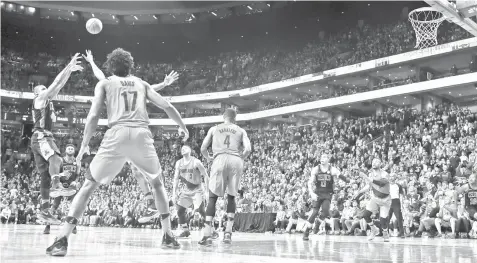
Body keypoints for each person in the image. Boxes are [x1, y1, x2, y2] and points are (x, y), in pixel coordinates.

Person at [46, 48, 189, 256]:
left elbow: (94, 115)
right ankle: (167, 235)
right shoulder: (141, 83)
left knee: (88, 185)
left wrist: (85, 144)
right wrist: (182, 126)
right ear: (131, 66)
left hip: (116, 134)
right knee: (157, 184)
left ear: (110, 67)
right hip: (141, 134)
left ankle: (62, 239)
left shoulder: (104, 83)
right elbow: (167, 105)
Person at [82, 49, 180, 225]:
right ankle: (153, 204)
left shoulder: (108, 82)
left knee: (137, 172)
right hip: (138, 132)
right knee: (141, 172)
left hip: (119, 132)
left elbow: (100, 76)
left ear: (111, 66)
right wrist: (164, 85)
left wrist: (91, 62)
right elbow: (149, 90)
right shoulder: (139, 83)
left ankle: (151, 202)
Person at [31, 54, 83, 225]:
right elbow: (54, 84)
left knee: (45, 175)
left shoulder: (47, 100)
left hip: (40, 137)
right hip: (41, 135)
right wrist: (68, 65)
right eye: (42, 88)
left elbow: (58, 85)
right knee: (56, 158)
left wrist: (70, 71)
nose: (46, 89)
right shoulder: (39, 99)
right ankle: (56, 185)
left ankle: (44, 212)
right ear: (37, 92)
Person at [198, 108, 251, 246]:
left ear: (223, 117)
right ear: (235, 118)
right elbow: (248, 148)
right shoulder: (240, 130)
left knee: (212, 198)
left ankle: (207, 235)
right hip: (235, 160)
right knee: (232, 197)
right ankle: (228, 233)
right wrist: (241, 157)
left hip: (219, 159)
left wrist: (209, 158)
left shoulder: (214, 129)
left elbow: (203, 148)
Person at [172, 145, 218, 238]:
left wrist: (207, 191)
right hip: (186, 190)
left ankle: (213, 231)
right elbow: (176, 179)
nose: (183, 148)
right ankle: (185, 231)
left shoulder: (196, 162)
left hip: (197, 189)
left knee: (201, 211)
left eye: (185, 147)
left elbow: (205, 175)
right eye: (182, 148)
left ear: (190, 150)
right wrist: (174, 193)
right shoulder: (178, 163)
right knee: (180, 210)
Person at [303, 153, 348, 240]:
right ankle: (307, 231)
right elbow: (310, 182)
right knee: (315, 212)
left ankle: (317, 224)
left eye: (324, 157)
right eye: (321, 157)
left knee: (325, 211)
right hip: (318, 193)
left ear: (328, 159)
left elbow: (343, 177)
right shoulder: (316, 169)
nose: (322, 158)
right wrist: (311, 193)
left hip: (328, 193)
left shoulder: (333, 169)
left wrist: (350, 180)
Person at [44, 144, 81, 235]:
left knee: (74, 206)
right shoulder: (60, 160)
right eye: (69, 148)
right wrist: (61, 175)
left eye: (72, 148)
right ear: (66, 150)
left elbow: (77, 175)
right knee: (55, 206)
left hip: (71, 185)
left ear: (74, 151)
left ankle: (73, 226)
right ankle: (47, 226)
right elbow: (54, 173)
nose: (70, 150)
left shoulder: (77, 161)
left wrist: (75, 181)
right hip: (60, 184)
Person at [353, 158, 391, 242]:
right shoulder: (370, 174)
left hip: (385, 200)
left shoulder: (384, 173)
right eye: (373, 161)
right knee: (365, 215)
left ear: (380, 164)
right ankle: (374, 229)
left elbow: (381, 183)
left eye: (377, 161)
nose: (374, 163)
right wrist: (359, 192)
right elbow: (369, 186)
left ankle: (385, 232)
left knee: (382, 220)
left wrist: (366, 177)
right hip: (375, 198)